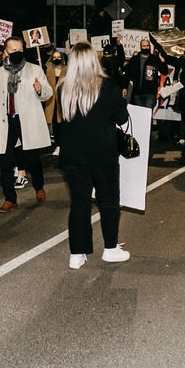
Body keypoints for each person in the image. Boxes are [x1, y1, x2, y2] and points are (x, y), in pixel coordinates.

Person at [57, 43, 132, 269]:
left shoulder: (63, 87)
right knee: (108, 202)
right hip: (103, 154)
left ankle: (77, 254)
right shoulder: (107, 85)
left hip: (72, 155)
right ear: (93, 60)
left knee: (79, 204)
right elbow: (122, 117)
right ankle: (110, 248)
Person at [0, 36, 53, 212]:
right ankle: (10, 199)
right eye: (13, 49)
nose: (16, 52)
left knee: (32, 159)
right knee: (6, 161)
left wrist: (40, 90)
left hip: (27, 120)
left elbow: (48, 93)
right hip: (6, 121)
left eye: (19, 49)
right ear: (5, 51)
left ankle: (39, 186)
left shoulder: (34, 70)